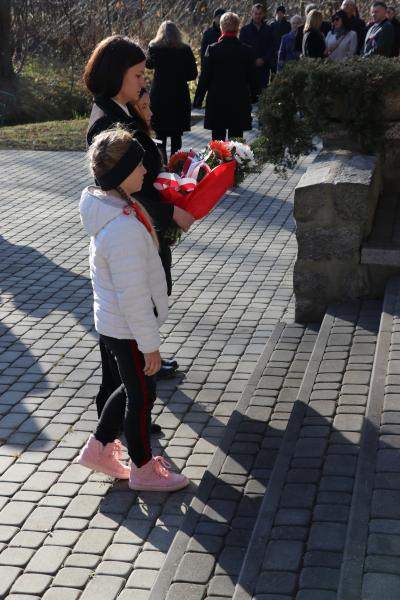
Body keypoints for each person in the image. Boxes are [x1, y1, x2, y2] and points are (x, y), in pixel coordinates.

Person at [83, 36, 194, 416]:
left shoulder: (122, 110)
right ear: (116, 74)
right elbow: (120, 190)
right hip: (132, 232)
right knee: (122, 336)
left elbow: (144, 170)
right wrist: (168, 214)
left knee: (133, 325)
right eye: (137, 75)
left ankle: (130, 412)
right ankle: (121, 419)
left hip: (140, 229)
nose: (143, 82)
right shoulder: (107, 120)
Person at [77, 127, 189, 492]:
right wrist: (149, 344)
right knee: (142, 397)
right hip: (127, 327)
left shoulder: (117, 207)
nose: (145, 171)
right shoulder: (121, 228)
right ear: (123, 172)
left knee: (132, 388)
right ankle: (142, 469)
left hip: (119, 324)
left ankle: (98, 449)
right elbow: (133, 295)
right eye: (139, 165)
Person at [193, 12, 258, 141]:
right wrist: (255, 96)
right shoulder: (247, 51)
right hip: (239, 102)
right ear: (238, 28)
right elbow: (253, 78)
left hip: (217, 102)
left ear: (221, 28)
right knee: (236, 143)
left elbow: (205, 77)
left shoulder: (212, 50)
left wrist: (198, 99)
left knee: (218, 143)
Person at [147, 21, 198, 163]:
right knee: (177, 134)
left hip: (159, 95)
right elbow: (192, 74)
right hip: (178, 95)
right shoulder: (185, 49)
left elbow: (148, 64)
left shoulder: (154, 48)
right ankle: (175, 163)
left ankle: (161, 162)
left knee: (159, 133)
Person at [239, 3, 273, 96]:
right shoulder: (244, 30)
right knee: (250, 96)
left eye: (260, 13)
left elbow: (271, 47)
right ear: (252, 13)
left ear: (263, 14)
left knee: (263, 95)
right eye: (256, 13)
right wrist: (254, 60)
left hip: (264, 68)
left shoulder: (268, 29)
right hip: (249, 68)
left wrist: (263, 59)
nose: (258, 16)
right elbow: (242, 48)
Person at [270, 6, 291, 73]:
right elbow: (269, 40)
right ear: (276, 13)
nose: (279, 14)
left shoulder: (288, 25)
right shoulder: (272, 25)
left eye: (281, 13)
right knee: (273, 74)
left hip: (284, 54)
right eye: (278, 13)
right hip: (273, 54)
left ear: (283, 14)